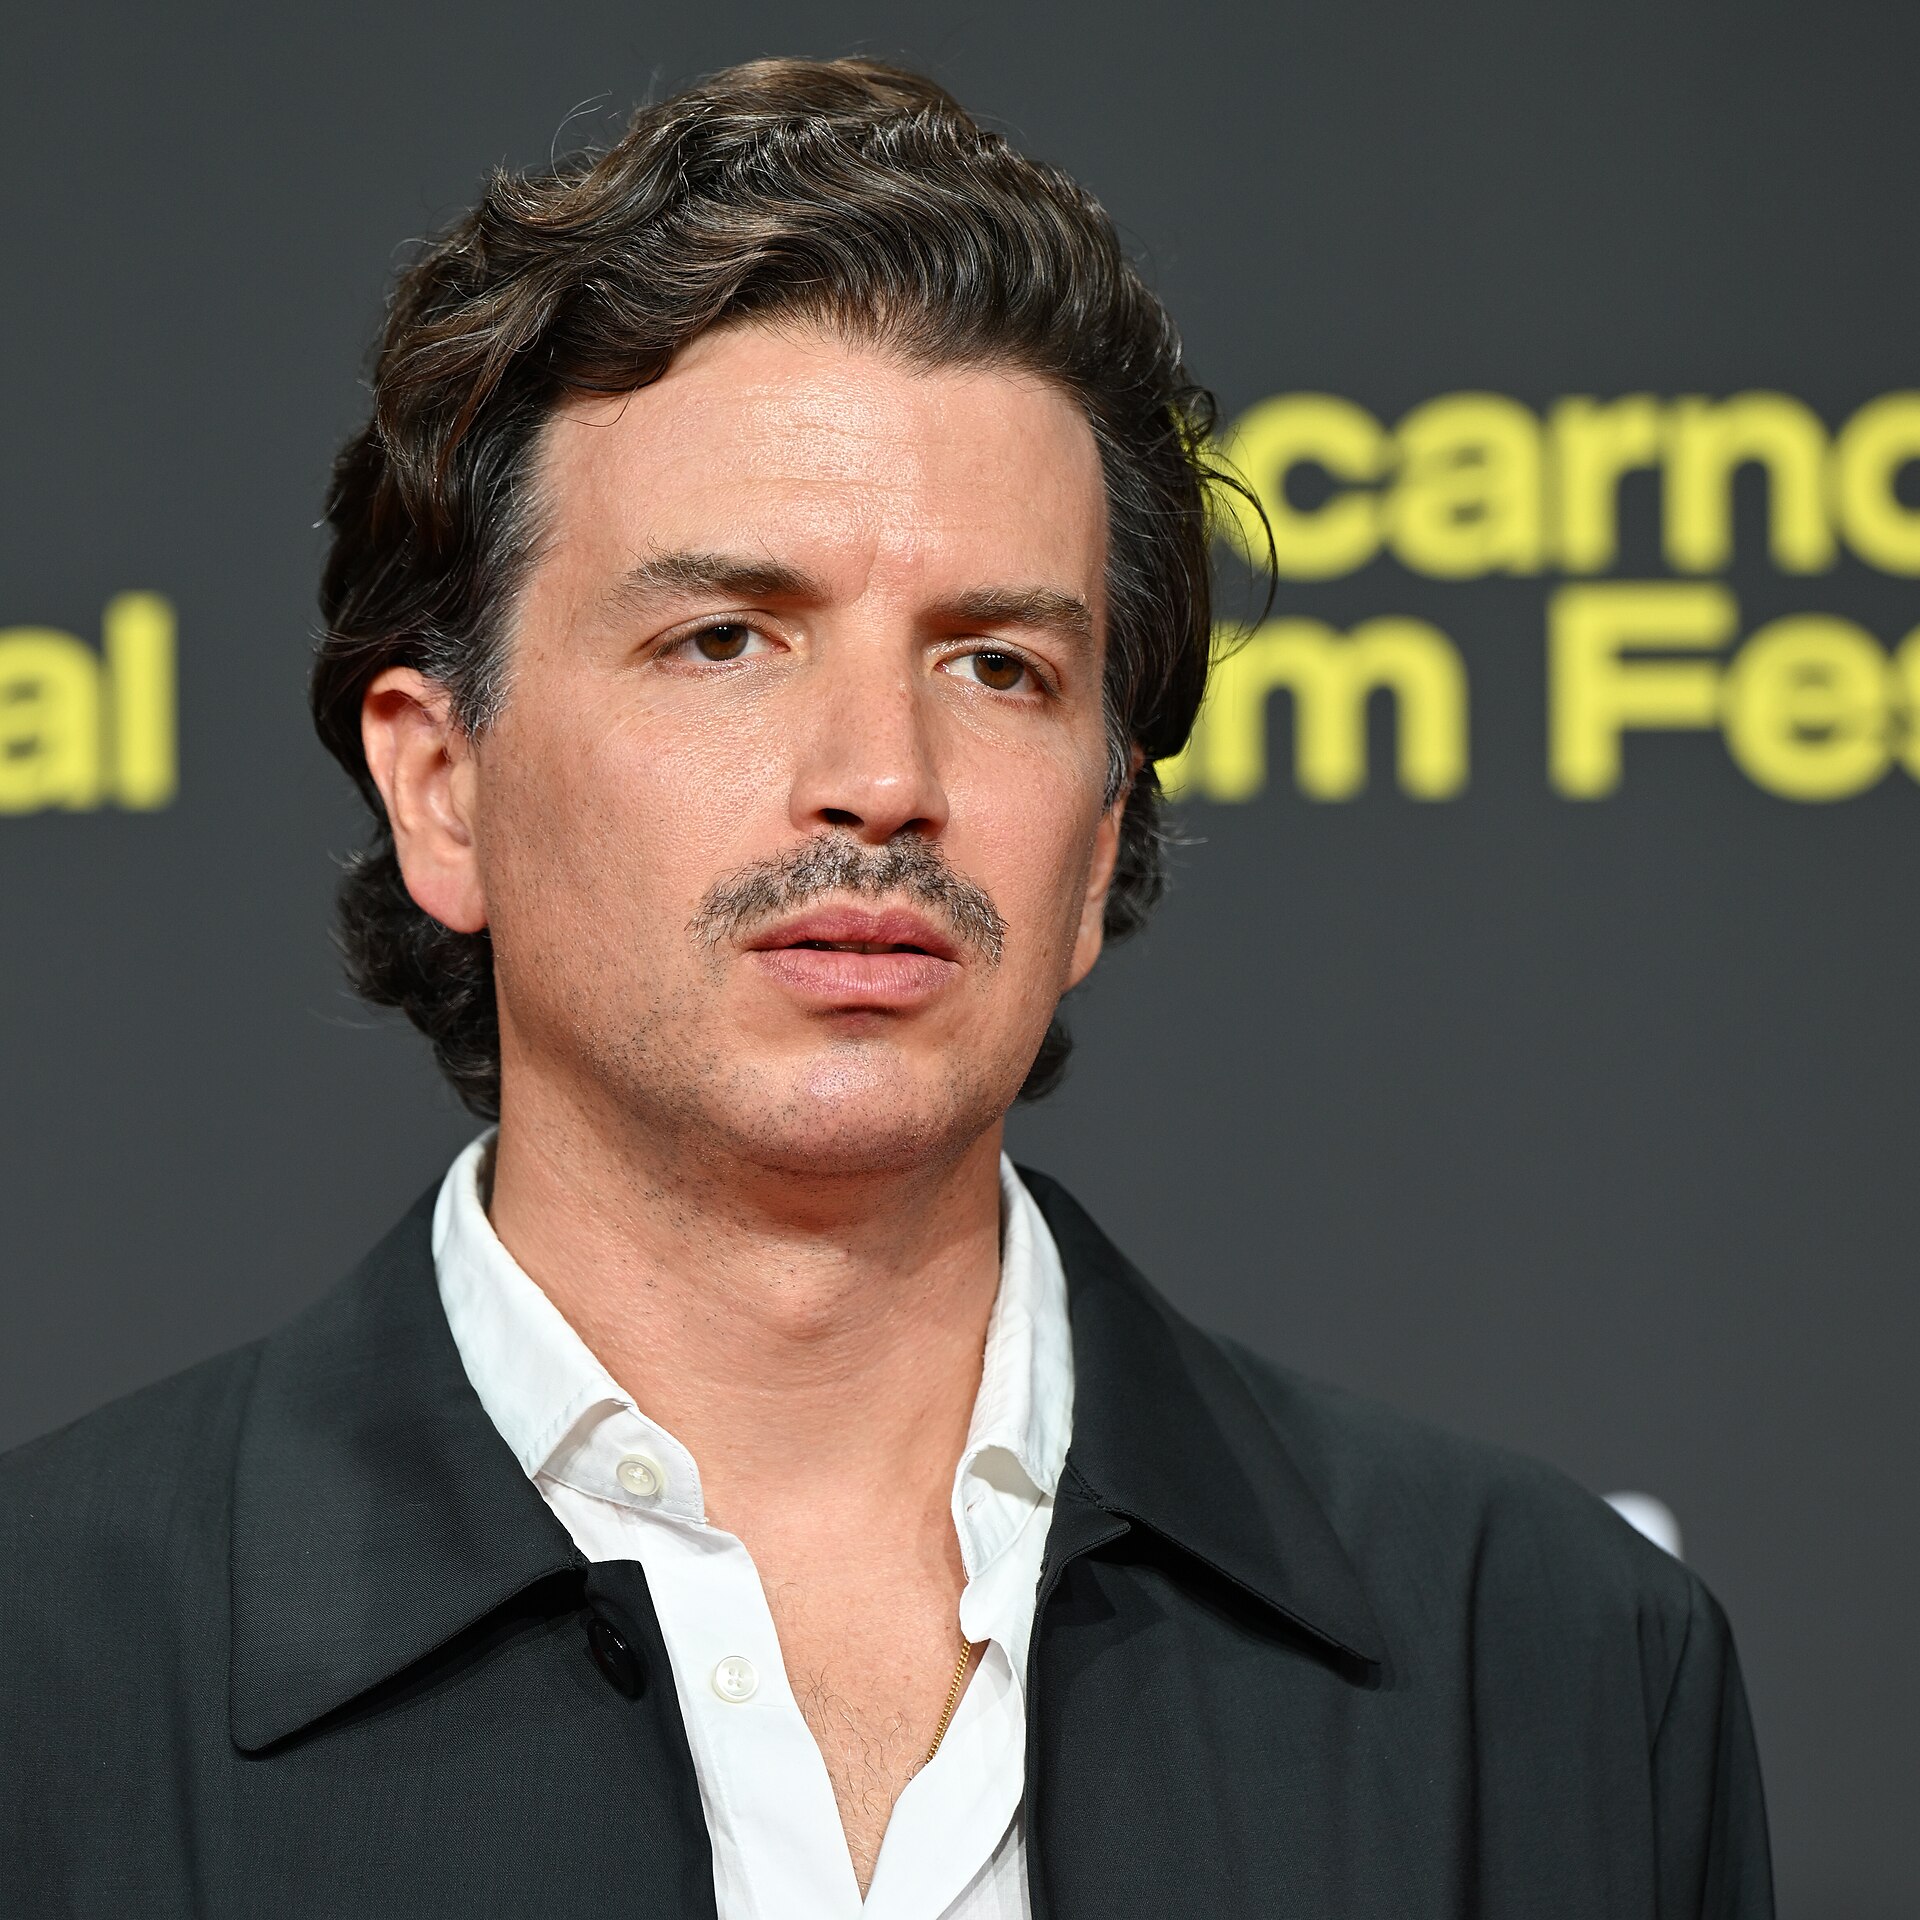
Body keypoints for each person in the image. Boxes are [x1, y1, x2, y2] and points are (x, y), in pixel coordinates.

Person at [0, 56, 1771, 1919]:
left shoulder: (1559, 1672)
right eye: (725, 638)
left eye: (999, 666)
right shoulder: (48, 1669)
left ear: (1097, 845)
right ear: (444, 792)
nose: (880, 772)